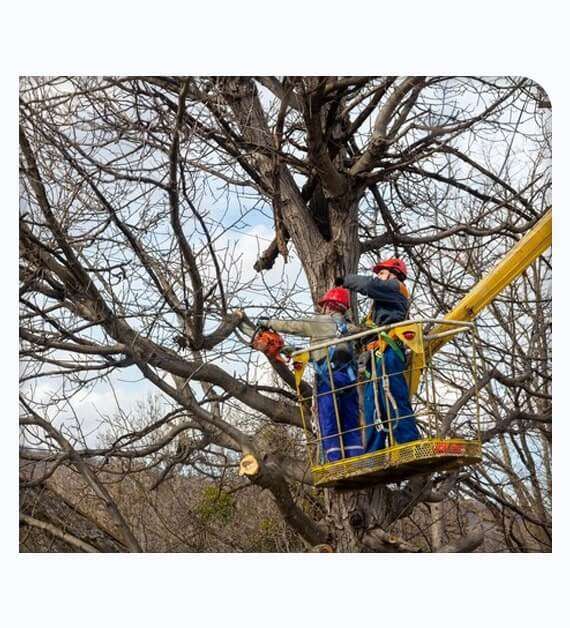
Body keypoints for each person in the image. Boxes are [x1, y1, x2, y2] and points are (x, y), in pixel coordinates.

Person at [255, 287, 364, 463]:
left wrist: (269, 323)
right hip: (349, 381)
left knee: (329, 418)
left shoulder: (321, 323)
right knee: (350, 419)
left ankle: (334, 460)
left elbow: (293, 326)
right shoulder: (350, 329)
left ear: (328, 306)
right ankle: (356, 459)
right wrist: (294, 351)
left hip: (329, 379)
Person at [336, 258, 421, 451]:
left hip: (388, 350)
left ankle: (408, 443)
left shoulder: (395, 287)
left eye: (382, 273)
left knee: (392, 395)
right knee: (372, 404)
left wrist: (346, 280)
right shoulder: (381, 304)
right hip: (374, 355)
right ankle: (374, 450)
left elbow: (369, 284)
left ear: (394, 274)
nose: (379, 277)